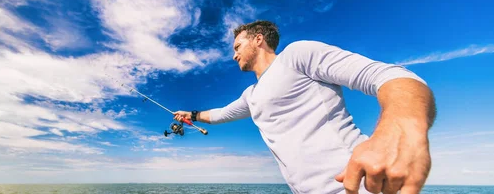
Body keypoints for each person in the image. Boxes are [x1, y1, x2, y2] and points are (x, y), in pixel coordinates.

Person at [173, 20, 436, 194]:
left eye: (237, 46)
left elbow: (390, 76)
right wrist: (192, 114)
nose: (234, 54)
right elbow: (219, 115)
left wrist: (399, 127)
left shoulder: (296, 55)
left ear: (258, 40)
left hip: (356, 187)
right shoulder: (250, 95)